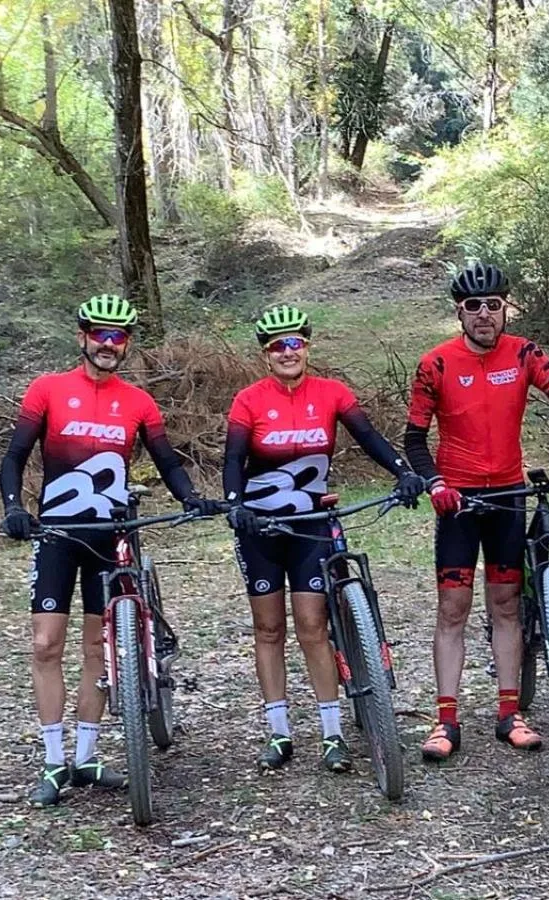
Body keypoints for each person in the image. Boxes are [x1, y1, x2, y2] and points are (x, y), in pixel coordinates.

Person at [403, 262, 549, 762]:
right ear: (459, 313)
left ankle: (510, 713)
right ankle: (446, 720)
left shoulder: (525, 353)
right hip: (460, 502)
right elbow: (413, 439)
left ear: (506, 307)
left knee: (506, 604)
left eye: (493, 305)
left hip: (508, 494)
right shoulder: (436, 364)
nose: (484, 315)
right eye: (473, 306)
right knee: (452, 610)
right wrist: (435, 481)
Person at [0, 294, 220, 807]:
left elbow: (167, 461)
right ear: (82, 337)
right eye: (99, 333)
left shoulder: (138, 402)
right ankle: (54, 762)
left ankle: (87, 755)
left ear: (126, 345)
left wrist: (191, 498)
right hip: (57, 533)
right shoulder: (48, 389)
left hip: (110, 536)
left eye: (118, 336)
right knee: (45, 644)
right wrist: (13, 507)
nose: (108, 343)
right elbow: (14, 456)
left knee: (98, 649)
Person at [222, 304, 425, 773]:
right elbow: (233, 458)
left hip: (311, 524)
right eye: (277, 345)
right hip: (261, 527)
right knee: (269, 629)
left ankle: (332, 733)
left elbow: (369, 436)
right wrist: (234, 503)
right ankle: (279, 731)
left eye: (295, 342)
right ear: (265, 355)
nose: (288, 352)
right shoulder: (249, 400)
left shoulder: (331, 393)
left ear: (307, 346)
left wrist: (402, 473)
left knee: (312, 625)